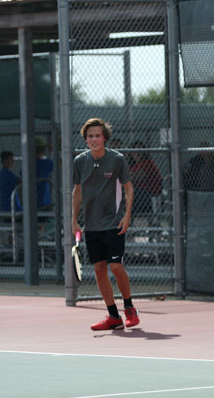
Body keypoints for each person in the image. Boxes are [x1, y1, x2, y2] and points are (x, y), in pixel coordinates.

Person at [72, 118, 139, 331]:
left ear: (104, 138)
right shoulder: (80, 162)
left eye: (97, 136)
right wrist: (74, 219)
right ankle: (113, 316)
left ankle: (129, 308)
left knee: (116, 266)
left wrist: (127, 216)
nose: (94, 139)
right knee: (100, 269)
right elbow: (77, 192)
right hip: (91, 226)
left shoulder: (117, 159)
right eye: (90, 136)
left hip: (114, 223)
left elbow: (128, 189)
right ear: (86, 139)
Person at [129, 140, 162, 214]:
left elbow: (139, 176)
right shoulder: (134, 165)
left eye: (140, 150)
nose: (137, 153)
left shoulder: (147, 163)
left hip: (148, 195)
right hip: (139, 194)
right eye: (135, 150)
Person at [35, 137, 54, 209]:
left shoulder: (28, 164)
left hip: (31, 200)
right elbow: (60, 162)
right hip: (44, 200)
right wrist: (53, 150)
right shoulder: (45, 163)